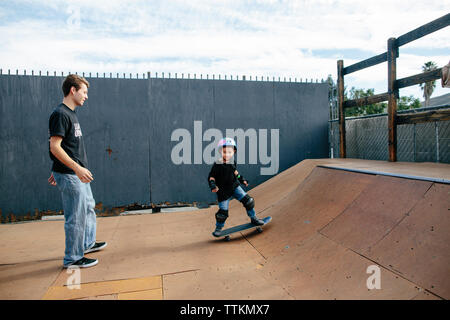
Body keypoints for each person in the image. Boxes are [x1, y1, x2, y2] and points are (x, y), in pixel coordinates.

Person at [48, 74, 106, 268]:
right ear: (73, 90)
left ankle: (87, 244)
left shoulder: (71, 113)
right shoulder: (60, 114)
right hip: (72, 175)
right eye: (84, 92)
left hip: (75, 173)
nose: (86, 96)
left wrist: (57, 168)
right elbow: (54, 146)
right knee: (76, 216)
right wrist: (73, 168)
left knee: (88, 207)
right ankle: (72, 258)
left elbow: (65, 147)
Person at [208, 137, 264, 237]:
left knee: (248, 201)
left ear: (234, 151)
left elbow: (235, 173)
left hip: (235, 187)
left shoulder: (232, 162)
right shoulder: (217, 165)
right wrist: (212, 185)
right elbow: (211, 177)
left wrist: (242, 180)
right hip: (223, 191)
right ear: (221, 151)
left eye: (230, 152)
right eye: (225, 152)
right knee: (222, 213)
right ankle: (219, 228)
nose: (227, 155)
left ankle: (254, 218)